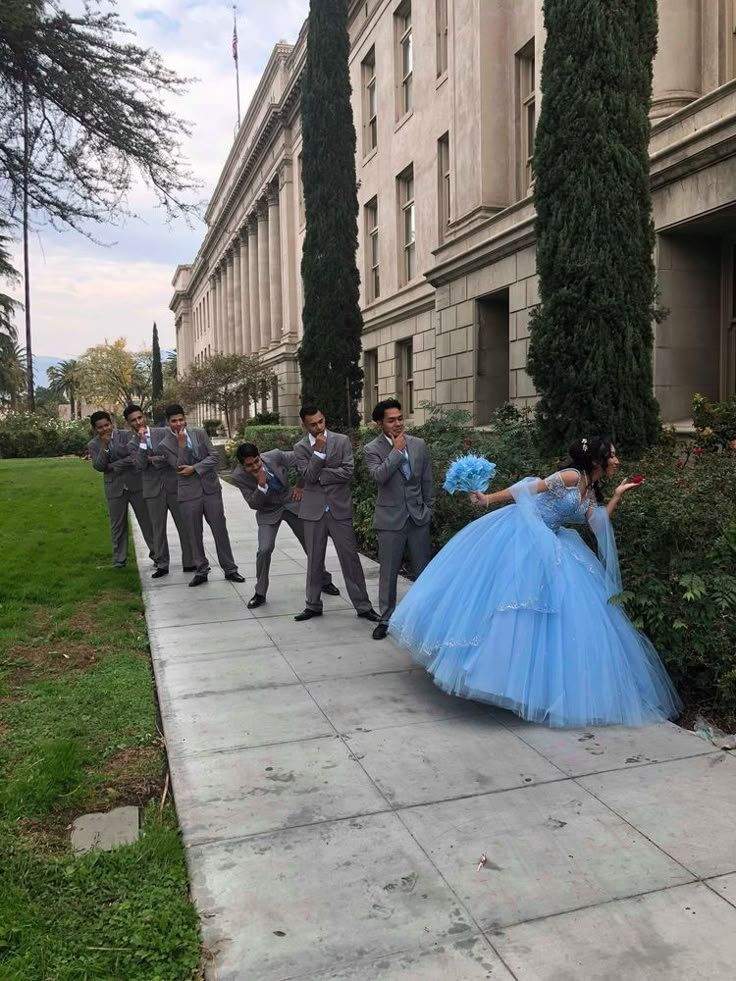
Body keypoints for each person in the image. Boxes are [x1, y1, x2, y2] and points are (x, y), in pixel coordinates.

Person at [388, 437, 681, 728]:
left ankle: (531, 687)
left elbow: (597, 524)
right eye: (612, 456)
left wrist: (616, 495)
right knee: (509, 605)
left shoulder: (589, 490)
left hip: (553, 540)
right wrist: (488, 499)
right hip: (523, 533)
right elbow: (528, 489)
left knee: (556, 614)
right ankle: (491, 675)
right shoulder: (570, 476)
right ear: (596, 461)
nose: (617, 461)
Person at [292, 404, 379, 623]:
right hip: (313, 511)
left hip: (339, 508)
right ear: (304, 426)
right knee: (314, 560)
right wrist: (319, 453)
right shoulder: (300, 448)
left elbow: (347, 471)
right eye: (313, 424)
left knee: (350, 558)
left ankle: (363, 605)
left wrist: (321, 474)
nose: (319, 426)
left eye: (321, 421)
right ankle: (312, 604)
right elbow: (308, 477)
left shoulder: (341, 441)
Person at [230, 442, 338, 608]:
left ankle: (323, 580)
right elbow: (254, 503)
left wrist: (301, 485)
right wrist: (261, 485)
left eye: (257, 462)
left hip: (291, 502)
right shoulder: (239, 476)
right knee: (264, 549)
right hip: (268, 511)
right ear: (242, 465)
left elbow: (306, 460)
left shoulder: (275, 456)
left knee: (311, 545)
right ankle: (260, 592)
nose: (255, 467)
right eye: (249, 465)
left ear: (260, 457)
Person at [364, 399, 435, 641]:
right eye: (391, 420)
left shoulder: (419, 445)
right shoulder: (372, 449)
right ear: (379, 424)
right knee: (389, 572)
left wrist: (428, 510)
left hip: (418, 517)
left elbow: (427, 481)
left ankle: (425, 616)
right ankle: (386, 618)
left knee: (423, 570)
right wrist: (396, 451)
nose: (397, 423)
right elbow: (378, 476)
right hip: (390, 519)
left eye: (399, 418)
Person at [159, 404, 245, 587]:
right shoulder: (165, 445)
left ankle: (230, 569)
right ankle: (201, 570)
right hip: (188, 494)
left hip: (210, 490)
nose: (178, 424)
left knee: (220, 530)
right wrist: (182, 445)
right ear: (168, 423)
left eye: (181, 419)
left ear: (185, 419)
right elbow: (179, 468)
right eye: (174, 421)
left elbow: (214, 457)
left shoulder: (199, 433)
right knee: (194, 533)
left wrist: (195, 468)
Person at [124, 404, 195, 579]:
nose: (138, 422)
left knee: (184, 525)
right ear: (128, 423)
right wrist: (142, 444)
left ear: (144, 416)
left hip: (173, 484)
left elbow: (172, 457)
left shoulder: (163, 432)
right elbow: (139, 465)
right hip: (152, 488)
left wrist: (152, 459)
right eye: (133, 420)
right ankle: (162, 564)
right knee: (157, 528)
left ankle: (190, 561)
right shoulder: (132, 444)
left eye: (140, 417)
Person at [87, 410, 156, 568]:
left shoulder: (127, 436)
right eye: (100, 427)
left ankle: (157, 555)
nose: (105, 429)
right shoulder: (93, 445)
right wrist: (104, 447)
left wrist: (113, 466)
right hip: (114, 488)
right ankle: (119, 560)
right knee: (117, 525)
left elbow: (134, 457)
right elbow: (99, 466)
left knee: (147, 522)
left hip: (135, 484)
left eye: (107, 425)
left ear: (111, 423)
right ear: (95, 429)